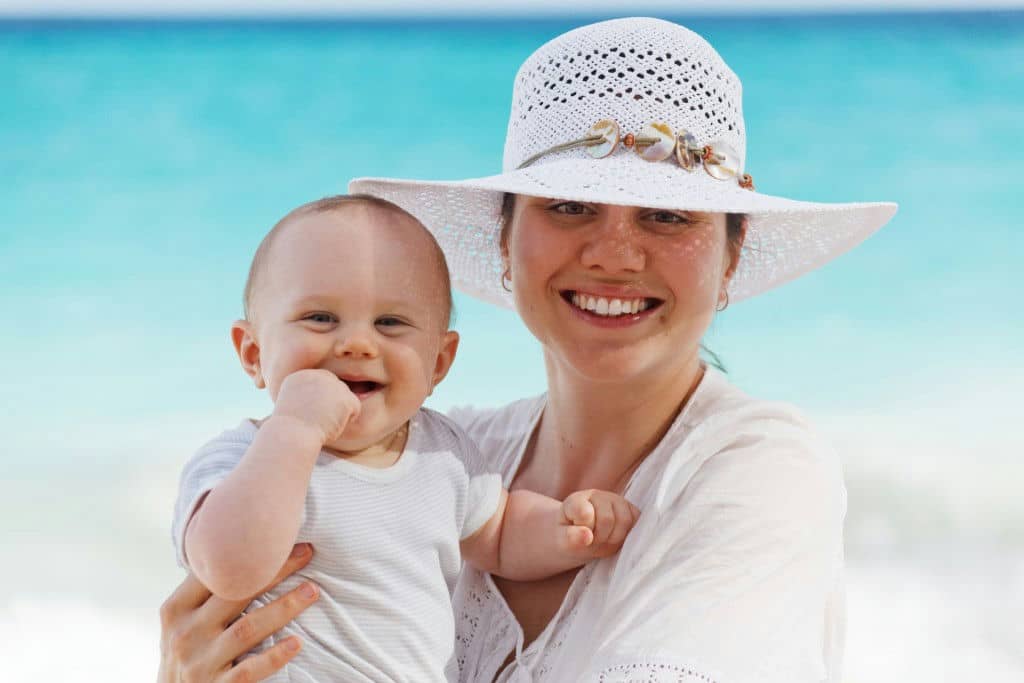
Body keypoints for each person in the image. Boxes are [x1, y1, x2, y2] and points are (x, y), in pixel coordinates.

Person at [158, 17, 897, 683]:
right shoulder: (437, 450)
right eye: (569, 205)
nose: (614, 255)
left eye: (669, 215)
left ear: (730, 259)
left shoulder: (757, 468)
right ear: (506, 239)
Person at [170, 194, 639, 682]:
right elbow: (229, 569)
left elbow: (498, 533)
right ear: (252, 353)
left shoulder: (442, 454)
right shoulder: (240, 460)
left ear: (439, 362)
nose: (356, 343)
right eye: (320, 318)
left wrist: (565, 528)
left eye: (390, 323)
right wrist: (295, 429)